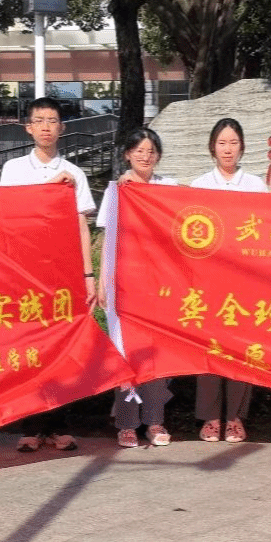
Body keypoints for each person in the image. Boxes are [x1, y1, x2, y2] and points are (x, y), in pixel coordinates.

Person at [0, 97, 97, 453]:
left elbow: (82, 226)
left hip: (62, 273)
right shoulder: (13, 169)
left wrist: (88, 275)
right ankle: (31, 425)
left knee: (60, 350)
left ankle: (58, 425)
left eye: (52, 120)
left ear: (62, 128)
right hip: (25, 272)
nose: (45, 127)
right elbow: (10, 216)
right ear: (28, 127)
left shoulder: (75, 173)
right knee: (28, 351)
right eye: (39, 120)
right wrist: (51, 188)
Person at [97, 128, 178, 448]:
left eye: (151, 151)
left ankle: (155, 421)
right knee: (126, 352)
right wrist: (102, 282)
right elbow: (107, 240)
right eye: (139, 151)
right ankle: (127, 423)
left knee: (159, 353)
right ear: (127, 154)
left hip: (160, 285)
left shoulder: (168, 188)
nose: (145, 156)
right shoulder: (117, 190)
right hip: (124, 284)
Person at [190, 118, 267, 443]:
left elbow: (266, 232)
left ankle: (235, 417)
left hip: (244, 281)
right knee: (209, 349)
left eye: (234, 142)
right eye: (222, 143)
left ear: (242, 147)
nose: (228, 149)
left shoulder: (256, 185)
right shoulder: (198, 185)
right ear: (212, 147)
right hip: (208, 281)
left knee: (240, 350)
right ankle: (210, 418)